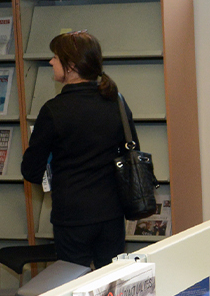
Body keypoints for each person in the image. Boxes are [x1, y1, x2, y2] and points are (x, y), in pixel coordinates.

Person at [22, 31, 140, 268]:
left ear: (72, 65)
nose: (51, 62)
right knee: (113, 286)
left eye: (56, 57)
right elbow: (133, 149)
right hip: (112, 214)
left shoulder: (54, 110)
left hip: (72, 216)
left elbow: (31, 170)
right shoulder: (117, 101)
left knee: (73, 288)